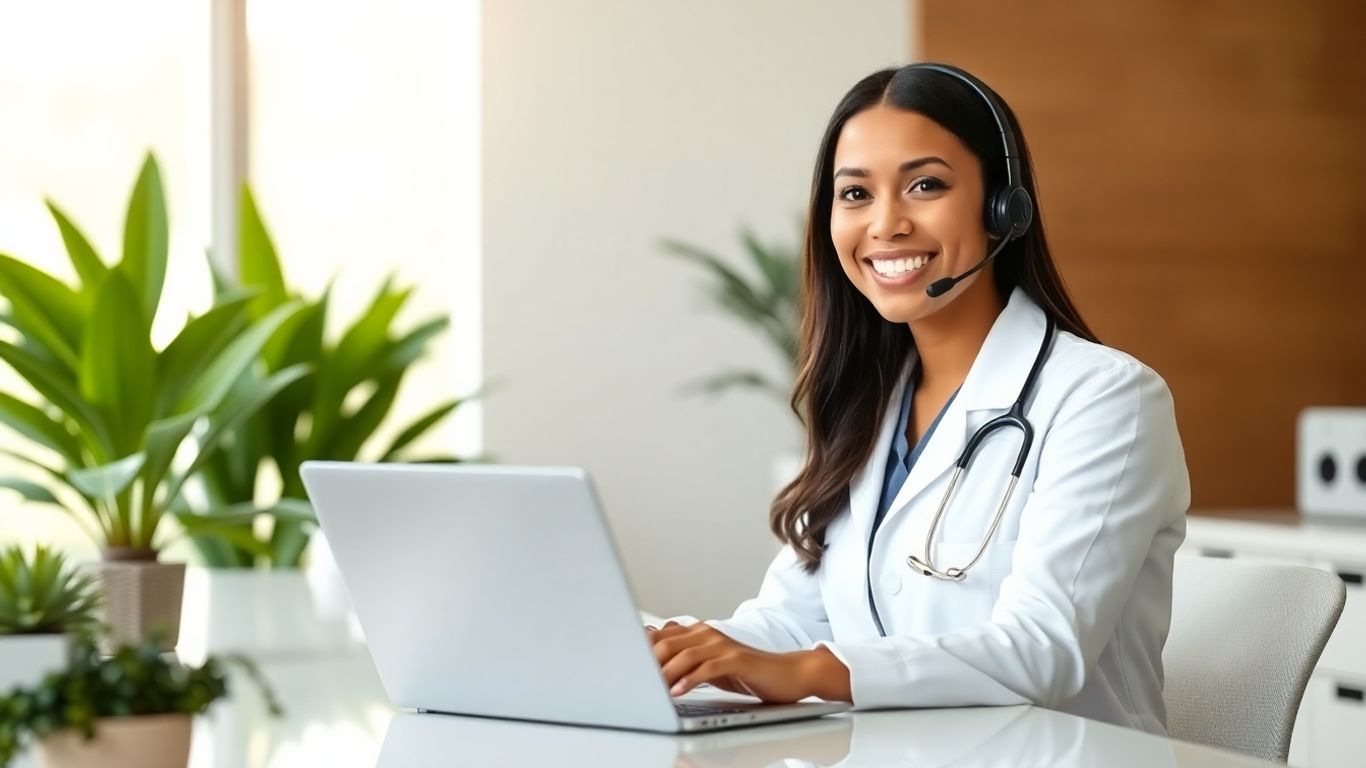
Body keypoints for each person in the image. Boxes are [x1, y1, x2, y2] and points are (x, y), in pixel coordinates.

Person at [648, 62, 1190, 736]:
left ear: (1002, 206)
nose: (886, 224)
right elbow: (789, 622)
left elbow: (1041, 649)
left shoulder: (1106, 400)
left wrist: (813, 671)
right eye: (855, 194)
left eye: (925, 185)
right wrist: (667, 651)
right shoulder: (867, 404)